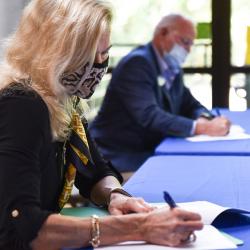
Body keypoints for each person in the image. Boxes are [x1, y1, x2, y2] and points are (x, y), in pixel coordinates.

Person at [0, 1, 203, 249]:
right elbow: (24, 227)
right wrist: (140, 227)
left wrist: (115, 196)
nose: (99, 64)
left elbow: (95, 172)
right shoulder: (22, 106)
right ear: (54, 51)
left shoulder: (66, 98)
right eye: (89, 55)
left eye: (105, 53)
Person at [90, 14, 231, 173]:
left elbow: (189, 103)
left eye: (191, 44)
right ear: (163, 33)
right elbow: (149, 115)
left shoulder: (171, 66)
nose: (188, 49)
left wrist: (204, 117)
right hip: (119, 157)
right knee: (188, 173)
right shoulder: (137, 63)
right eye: (184, 42)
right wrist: (202, 128)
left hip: (150, 150)